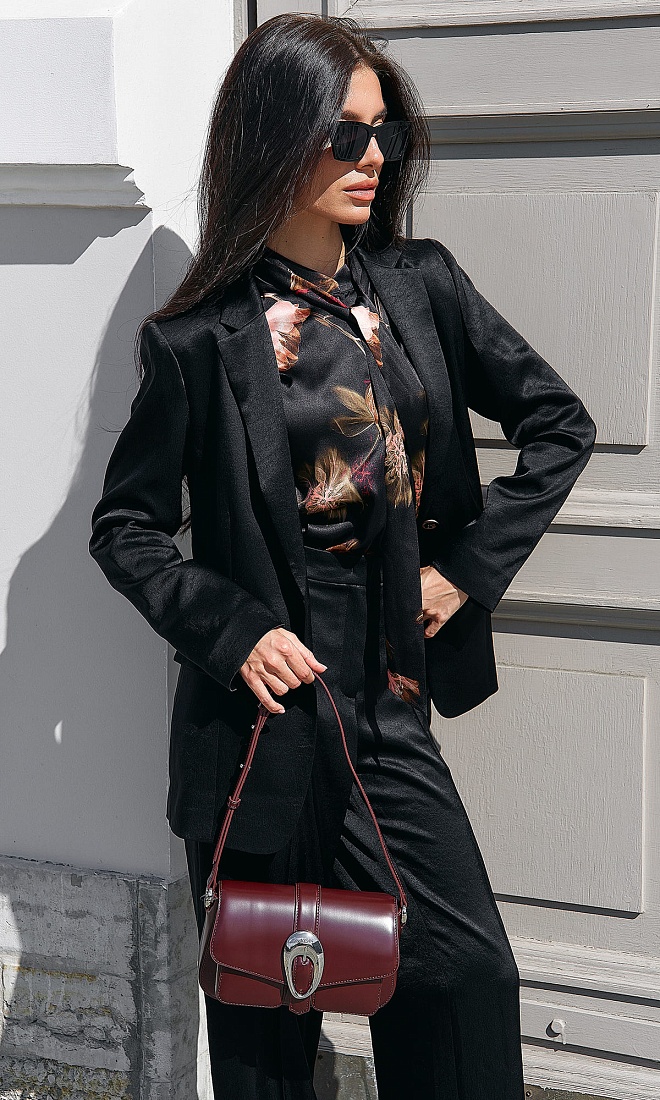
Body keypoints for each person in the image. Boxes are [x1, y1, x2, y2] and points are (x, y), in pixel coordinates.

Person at [88, 13, 597, 1100]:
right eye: (346, 134)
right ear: (276, 138)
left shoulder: (420, 286)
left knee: (462, 980)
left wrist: (467, 571)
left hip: (386, 701)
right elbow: (125, 528)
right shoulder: (197, 341)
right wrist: (234, 630)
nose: (373, 157)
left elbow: (560, 424)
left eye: (384, 134)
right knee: (266, 1023)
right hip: (261, 723)